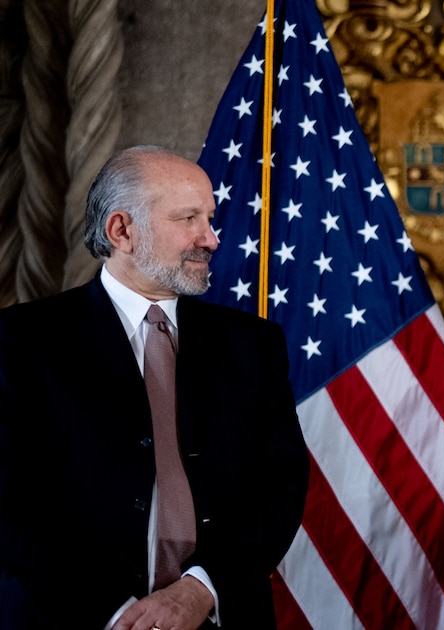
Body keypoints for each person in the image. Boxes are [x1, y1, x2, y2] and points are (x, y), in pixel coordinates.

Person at [0, 146, 309, 629]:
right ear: (121, 230)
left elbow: (280, 485)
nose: (211, 238)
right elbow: (10, 501)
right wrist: (118, 613)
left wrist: (199, 589)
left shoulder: (253, 343)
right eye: (189, 218)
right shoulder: (19, 342)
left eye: (209, 218)